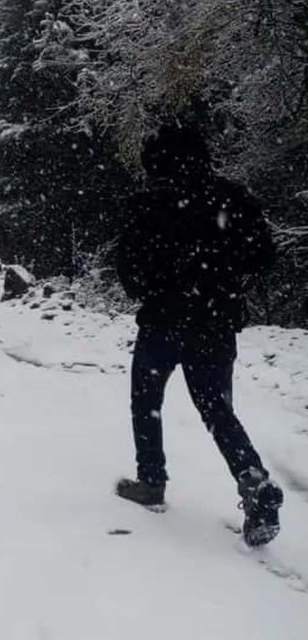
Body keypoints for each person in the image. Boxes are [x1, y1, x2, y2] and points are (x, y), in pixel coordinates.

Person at [114, 123, 283, 547]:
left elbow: (129, 270)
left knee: (146, 399)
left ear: (156, 163)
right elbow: (264, 254)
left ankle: (151, 481)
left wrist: (157, 285)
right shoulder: (233, 198)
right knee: (217, 410)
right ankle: (254, 480)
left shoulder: (148, 204)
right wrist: (229, 283)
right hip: (215, 321)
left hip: (164, 319)